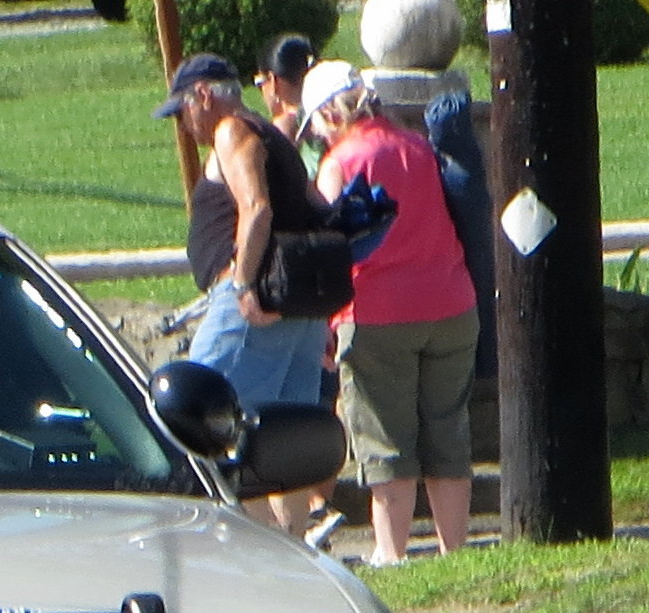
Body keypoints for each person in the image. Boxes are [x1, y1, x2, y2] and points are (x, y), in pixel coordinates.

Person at [303, 60, 479, 567]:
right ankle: (455, 553)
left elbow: (335, 248)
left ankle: (391, 551)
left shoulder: (340, 163)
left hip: (377, 312)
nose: (314, 134)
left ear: (331, 115)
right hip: (450, 302)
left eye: (315, 123)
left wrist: (326, 324)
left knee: (386, 438)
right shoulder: (417, 146)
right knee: (447, 431)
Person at [154, 54, 332, 484]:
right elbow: (321, 207)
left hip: (249, 309)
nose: (182, 124)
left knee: (188, 421)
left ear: (202, 95)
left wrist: (243, 286)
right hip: (296, 311)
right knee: (282, 447)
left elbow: (256, 209)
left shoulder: (232, 131)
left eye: (182, 111)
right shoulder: (276, 135)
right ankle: (290, 538)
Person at [247, 32, 343, 547]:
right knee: (312, 406)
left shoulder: (273, 140)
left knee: (266, 415)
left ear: (275, 84)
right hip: (327, 285)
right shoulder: (327, 134)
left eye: (261, 80)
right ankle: (313, 511)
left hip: (287, 287)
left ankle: (297, 521)